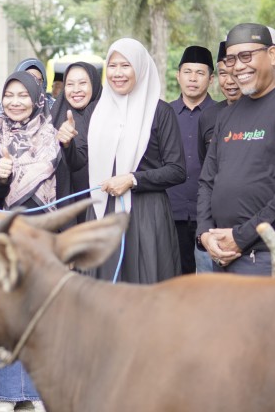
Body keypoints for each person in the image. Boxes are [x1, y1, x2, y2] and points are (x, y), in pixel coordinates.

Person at [0, 71, 70, 412]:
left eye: (23, 95)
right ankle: (3, 394)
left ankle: (36, 391)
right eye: (9, 95)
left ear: (37, 98)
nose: (15, 102)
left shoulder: (52, 135)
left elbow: (64, 186)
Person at [197, 23, 275, 280]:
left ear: (274, 56)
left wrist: (241, 236)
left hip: (270, 256)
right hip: (222, 253)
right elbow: (207, 180)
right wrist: (205, 233)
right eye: (231, 59)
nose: (237, 67)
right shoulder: (228, 115)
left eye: (246, 56)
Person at [81, 38, 186, 283]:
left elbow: (177, 170)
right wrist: (66, 144)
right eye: (112, 66)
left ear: (140, 68)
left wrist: (132, 179)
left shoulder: (160, 112)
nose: (117, 73)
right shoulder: (95, 111)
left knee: (144, 284)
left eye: (125, 65)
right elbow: (81, 161)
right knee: (104, 288)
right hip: (103, 209)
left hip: (146, 214)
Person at [166, 46, 214, 275]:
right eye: (187, 72)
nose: (193, 78)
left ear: (211, 79)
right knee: (177, 282)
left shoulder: (223, 113)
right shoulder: (164, 113)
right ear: (178, 75)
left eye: (200, 73)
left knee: (211, 284)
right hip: (172, 212)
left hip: (211, 215)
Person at [50, 61, 102, 207]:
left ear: (94, 84)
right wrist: (66, 143)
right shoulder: (55, 117)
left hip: (101, 201)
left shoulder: (108, 118)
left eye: (83, 83)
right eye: (70, 84)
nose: (76, 90)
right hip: (64, 203)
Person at [197, 42, 242, 164]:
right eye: (223, 73)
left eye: (235, 73)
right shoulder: (208, 116)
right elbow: (205, 164)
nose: (229, 81)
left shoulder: (264, 112)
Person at [0, 58, 55, 124]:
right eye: (28, 79)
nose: (34, 85)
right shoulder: (2, 112)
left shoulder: (54, 109)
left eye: (38, 80)